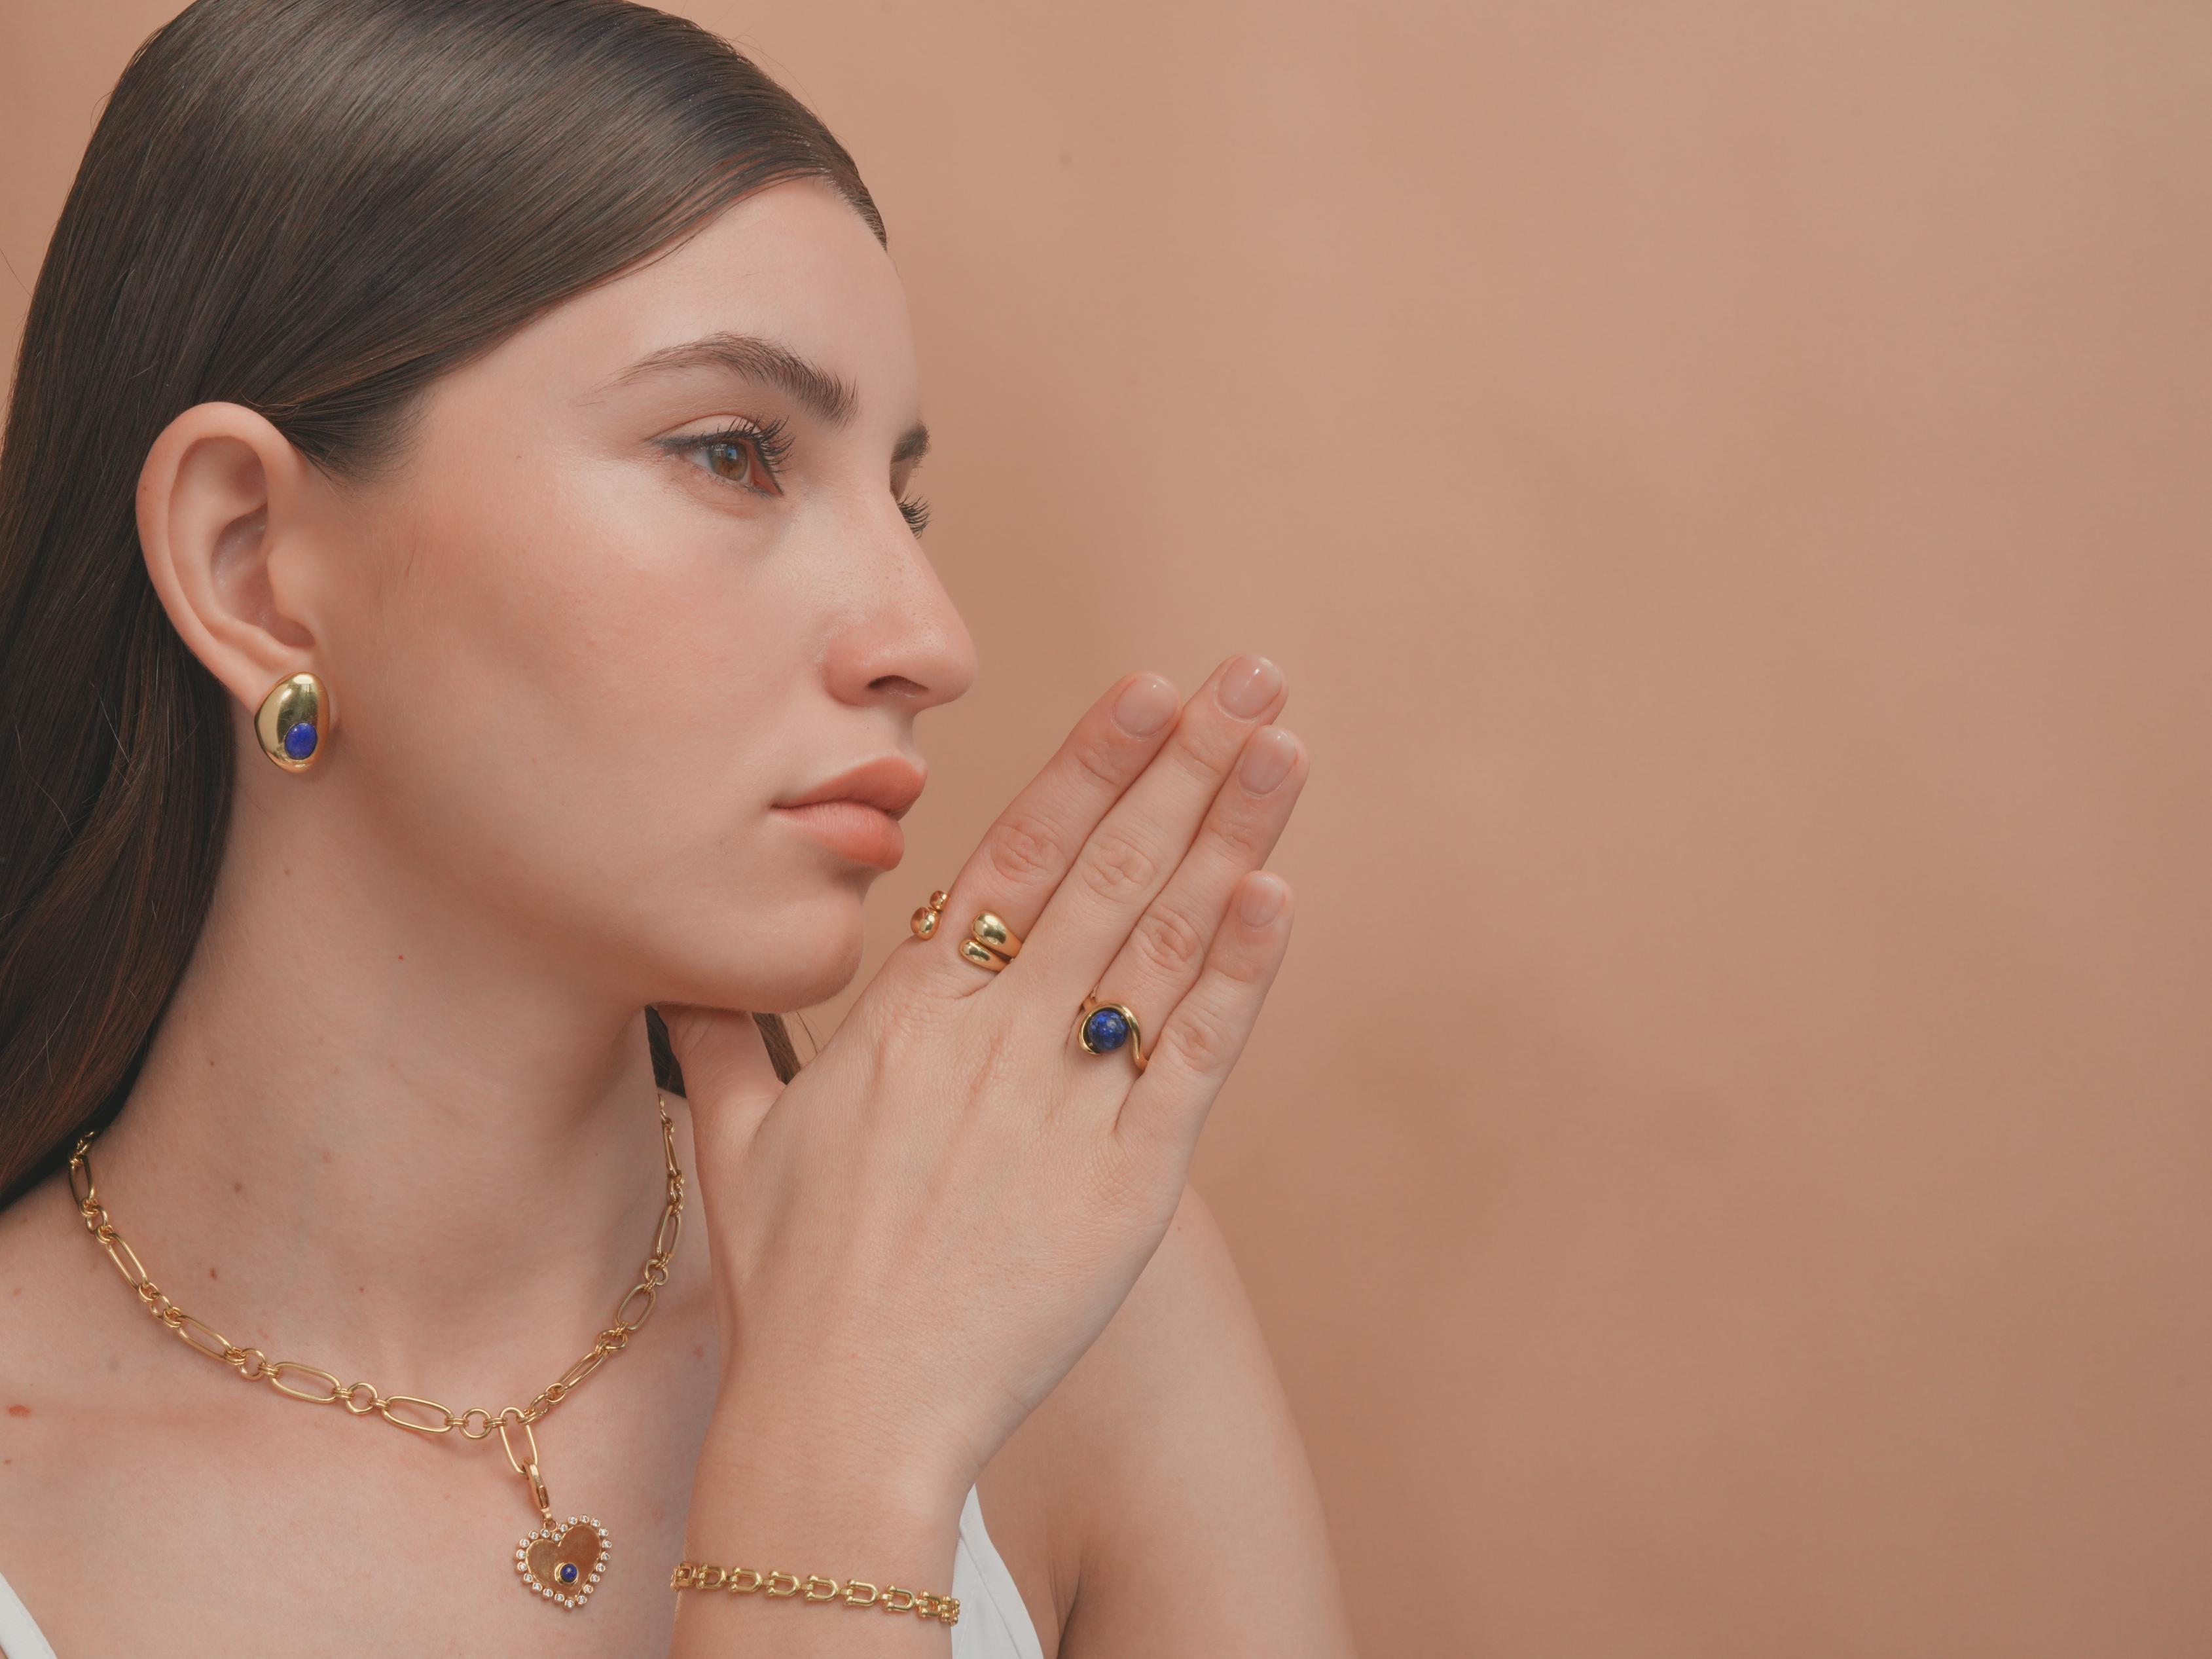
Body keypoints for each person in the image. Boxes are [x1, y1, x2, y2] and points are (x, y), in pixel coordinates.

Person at [0, 1, 1356, 1654]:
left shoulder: (1058, 1304)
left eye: (901, 499)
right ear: (252, 565)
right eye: (734, 452)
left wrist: (871, 1406)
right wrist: (831, 1484)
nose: (930, 637)